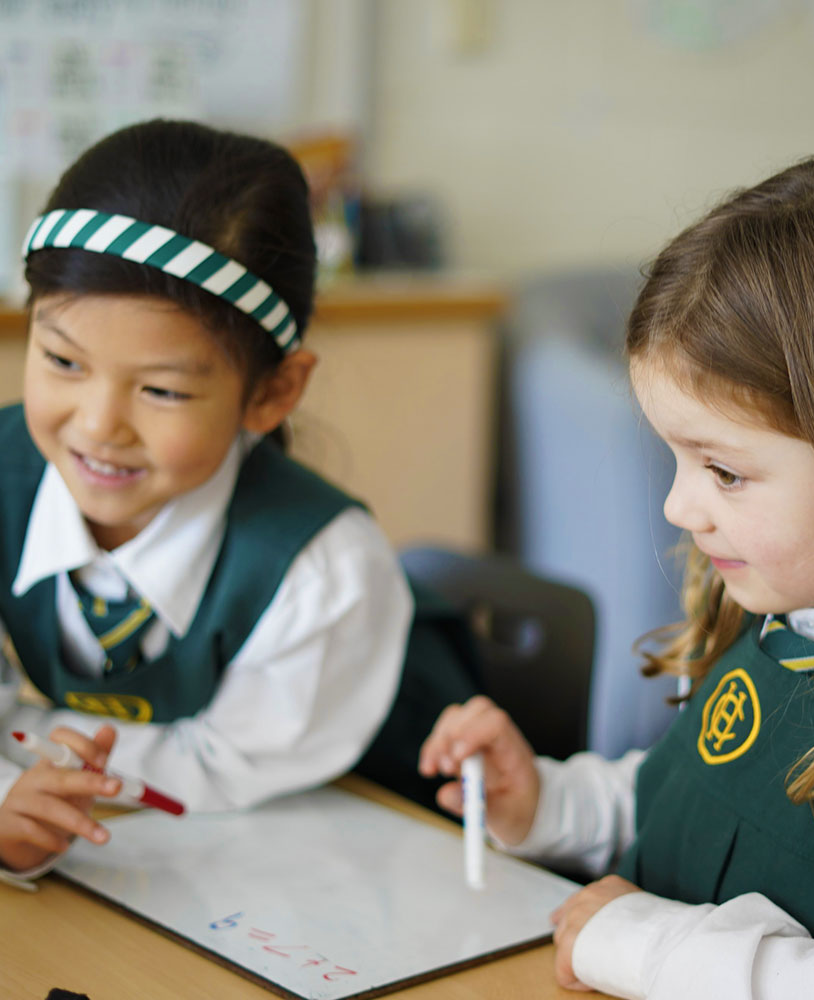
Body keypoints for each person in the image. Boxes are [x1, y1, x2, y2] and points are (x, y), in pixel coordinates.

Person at [419, 147, 814, 998]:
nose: (679, 509)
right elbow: (684, 794)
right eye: (676, 460)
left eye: (724, 471)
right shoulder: (787, 620)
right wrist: (543, 802)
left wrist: (643, 945)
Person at [0, 118, 477, 885]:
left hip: (362, 855)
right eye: (61, 359)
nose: (97, 426)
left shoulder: (324, 569)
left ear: (274, 392)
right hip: (164, 850)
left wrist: (25, 746)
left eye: (162, 389)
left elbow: (226, 771)